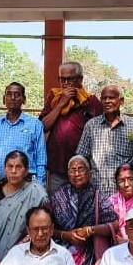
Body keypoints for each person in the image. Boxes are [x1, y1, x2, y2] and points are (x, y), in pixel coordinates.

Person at [50, 155, 118, 265]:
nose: (77, 173)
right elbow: (47, 228)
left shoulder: (98, 196)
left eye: (81, 169)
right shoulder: (58, 196)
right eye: (72, 170)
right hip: (62, 257)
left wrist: (90, 230)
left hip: (89, 257)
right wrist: (66, 235)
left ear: (89, 173)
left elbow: (113, 224)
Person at [39, 61, 102, 194]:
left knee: (83, 203)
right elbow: (43, 127)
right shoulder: (54, 97)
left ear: (80, 79)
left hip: (83, 168)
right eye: (62, 79)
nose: (66, 83)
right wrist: (61, 104)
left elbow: (101, 132)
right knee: (56, 203)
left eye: (70, 79)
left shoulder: (91, 101)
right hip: (58, 166)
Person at [76, 84, 133, 198]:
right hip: (96, 192)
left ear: (121, 101)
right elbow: (81, 158)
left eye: (111, 97)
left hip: (124, 193)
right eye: (104, 98)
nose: (107, 101)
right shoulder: (91, 125)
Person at [0, 150, 48, 262]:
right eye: (10, 166)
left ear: (26, 170)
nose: (13, 171)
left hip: (23, 257)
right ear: (4, 169)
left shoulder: (36, 193)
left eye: (18, 167)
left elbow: (42, 228)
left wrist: (15, 252)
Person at [0, 82, 47, 183]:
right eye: (9, 94)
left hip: (26, 183)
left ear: (24, 99)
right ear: (4, 99)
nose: (13, 97)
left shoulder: (35, 124)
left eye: (17, 94)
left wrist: (40, 185)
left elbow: (41, 159)